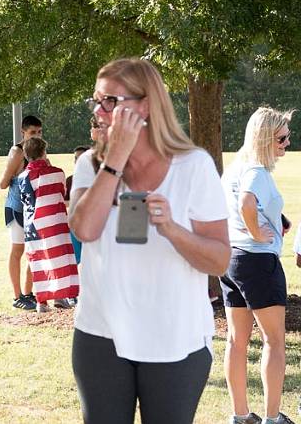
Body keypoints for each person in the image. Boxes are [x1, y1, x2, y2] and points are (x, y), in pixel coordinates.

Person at [69, 58, 230, 424]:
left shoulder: (193, 166)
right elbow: (84, 230)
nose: (99, 110)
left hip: (174, 337)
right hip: (101, 334)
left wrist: (173, 229)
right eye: (96, 100)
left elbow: (219, 260)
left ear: (144, 105)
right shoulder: (90, 166)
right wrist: (116, 160)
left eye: (109, 101)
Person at [222, 107, 294, 424]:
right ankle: (271, 418)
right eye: (281, 138)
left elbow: (238, 206)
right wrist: (256, 231)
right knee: (274, 341)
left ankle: (240, 416)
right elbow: (247, 203)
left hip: (231, 261)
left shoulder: (235, 168)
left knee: (237, 341)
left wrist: (276, 222)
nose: (287, 144)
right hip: (258, 261)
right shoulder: (257, 172)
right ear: (265, 138)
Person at [16, 137, 78, 312]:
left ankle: (41, 301)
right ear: (44, 153)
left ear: (26, 156)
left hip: (32, 225)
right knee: (59, 259)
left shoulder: (22, 177)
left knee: (39, 260)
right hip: (55, 222)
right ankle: (60, 296)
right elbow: (61, 192)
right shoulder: (57, 173)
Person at [0, 114, 43, 310]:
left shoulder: (40, 151)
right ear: (23, 132)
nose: (36, 136)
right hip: (16, 208)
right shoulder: (17, 152)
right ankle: (17, 296)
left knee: (33, 250)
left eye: (40, 132)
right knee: (18, 251)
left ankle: (28, 293)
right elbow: (2, 183)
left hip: (32, 209)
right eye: (32, 132)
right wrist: (19, 179)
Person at [66, 144, 92, 264]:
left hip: (92, 224)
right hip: (74, 225)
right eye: (76, 158)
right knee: (76, 260)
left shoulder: (99, 180)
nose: (78, 161)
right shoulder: (70, 180)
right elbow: (64, 201)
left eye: (81, 158)